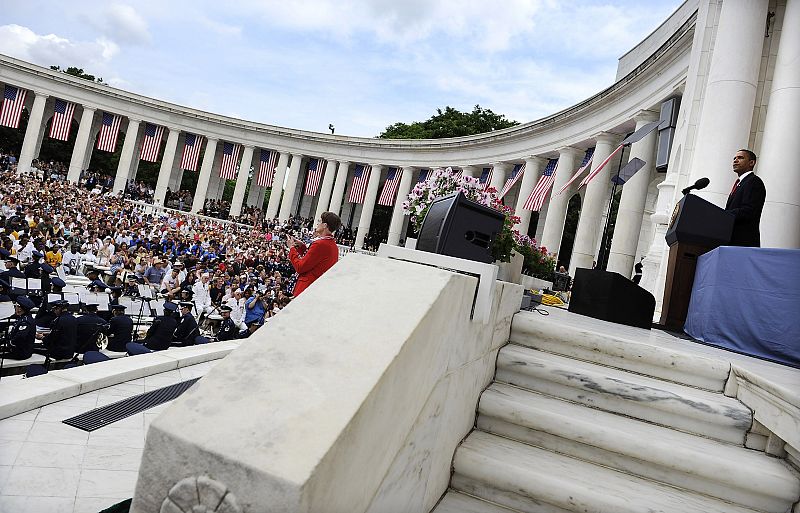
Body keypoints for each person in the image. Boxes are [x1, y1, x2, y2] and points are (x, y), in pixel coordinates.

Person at [287, 211, 340, 296]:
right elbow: (314, 260)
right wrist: (302, 247)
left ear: (325, 225)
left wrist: (292, 249)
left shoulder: (320, 244)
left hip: (305, 289)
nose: (317, 223)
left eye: (320, 221)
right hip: (315, 289)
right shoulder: (333, 246)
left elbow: (300, 267)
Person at [725, 149, 767, 247]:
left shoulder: (754, 182)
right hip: (731, 240)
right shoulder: (740, 183)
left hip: (743, 242)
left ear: (751, 162)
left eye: (740, 158)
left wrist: (722, 215)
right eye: (734, 158)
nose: (735, 160)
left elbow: (748, 211)